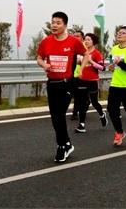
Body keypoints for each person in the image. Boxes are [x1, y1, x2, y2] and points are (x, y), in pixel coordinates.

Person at [37, 11, 89, 163]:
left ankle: (61, 147)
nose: (54, 25)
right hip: (51, 84)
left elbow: (86, 55)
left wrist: (82, 70)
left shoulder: (73, 42)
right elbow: (39, 58)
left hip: (67, 84)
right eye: (53, 22)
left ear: (65, 25)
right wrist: (44, 65)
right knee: (55, 118)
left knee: (59, 115)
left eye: (58, 23)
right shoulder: (46, 41)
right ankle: (67, 143)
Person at [74, 33, 107, 133]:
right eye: (85, 39)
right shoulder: (82, 52)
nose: (86, 41)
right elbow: (79, 64)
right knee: (82, 103)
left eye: (88, 40)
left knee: (94, 102)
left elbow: (102, 68)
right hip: (82, 80)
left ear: (93, 42)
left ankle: (102, 114)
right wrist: (78, 61)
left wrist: (91, 61)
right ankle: (82, 125)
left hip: (92, 81)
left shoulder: (97, 53)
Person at [70, 30, 85, 121]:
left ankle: (76, 112)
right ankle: (75, 112)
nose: (75, 38)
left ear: (82, 38)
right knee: (74, 95)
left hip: (82, 76)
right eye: (74, 36)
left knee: (79, 96)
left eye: (78, 36)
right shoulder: (71, 46)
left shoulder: (85, 47)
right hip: (71, 75)